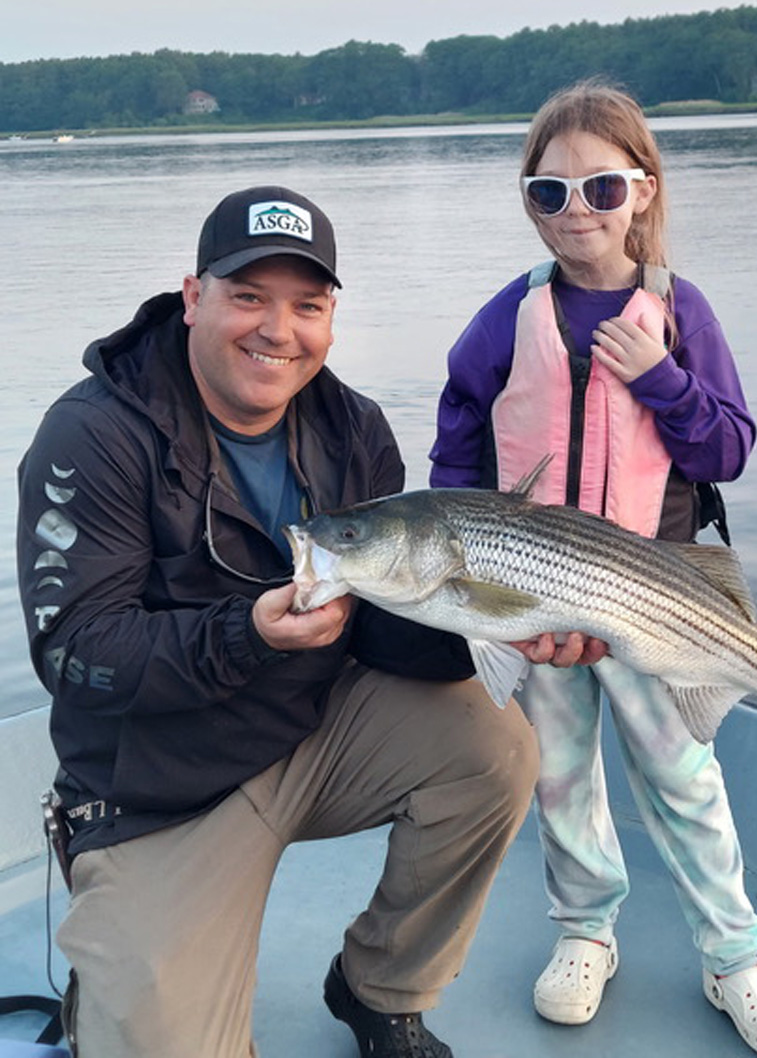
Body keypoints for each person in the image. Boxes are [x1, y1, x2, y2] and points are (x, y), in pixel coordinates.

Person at [16, 185, 539, 1058]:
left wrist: (499, 624)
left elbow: (382, 629)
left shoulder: (352, 427)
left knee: (496, 744)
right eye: (248, 296)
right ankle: (116, 970)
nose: (277, 330)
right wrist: (245, 632)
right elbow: (75, 654)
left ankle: (380, 988)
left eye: (307, 305)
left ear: (331, 318)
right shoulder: (92, 435)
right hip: (160, 790)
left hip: (307, 732)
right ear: (193, 299)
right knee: (158, 1038)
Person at [429, 81, 757, 1057]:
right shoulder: (499, 318)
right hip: (534, 599)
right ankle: (584, 932)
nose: (576, 212)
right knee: (561, 779)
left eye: (601, 188)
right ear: (528, 202)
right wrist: (470, 580)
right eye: (548, 193)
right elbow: (456, 459)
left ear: (643, 190)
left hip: (659, 601)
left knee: (685, 780)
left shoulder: (680, 311)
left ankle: (734, 955)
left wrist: (661, 376)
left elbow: (726, 448)